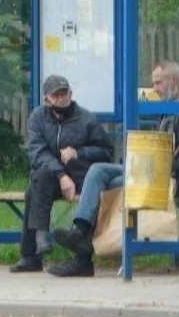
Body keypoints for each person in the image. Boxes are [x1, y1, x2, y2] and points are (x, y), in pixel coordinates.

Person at [48, 60, 179, 277]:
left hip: (171, 179)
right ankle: (80, 232)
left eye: (158, 83)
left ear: (174, 81)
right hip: (147, 172)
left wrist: (155, 165)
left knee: (105, 187)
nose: (154, 89)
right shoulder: (167, 108)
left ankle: (82, 255)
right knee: (97, 170)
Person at [10, 74, 114, 273]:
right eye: (55, 95)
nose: (60, 98)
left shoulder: (86, 119)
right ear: (46, 99)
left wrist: (78, 152)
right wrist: (61, 175)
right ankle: (37, 245)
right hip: (54, 177)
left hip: (83, 175)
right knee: (37, 182)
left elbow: (106, 151)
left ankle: (56, 254)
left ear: (71, 93)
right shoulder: (37, 118)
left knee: (37, 190)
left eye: (63, 93)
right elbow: (37, 152)